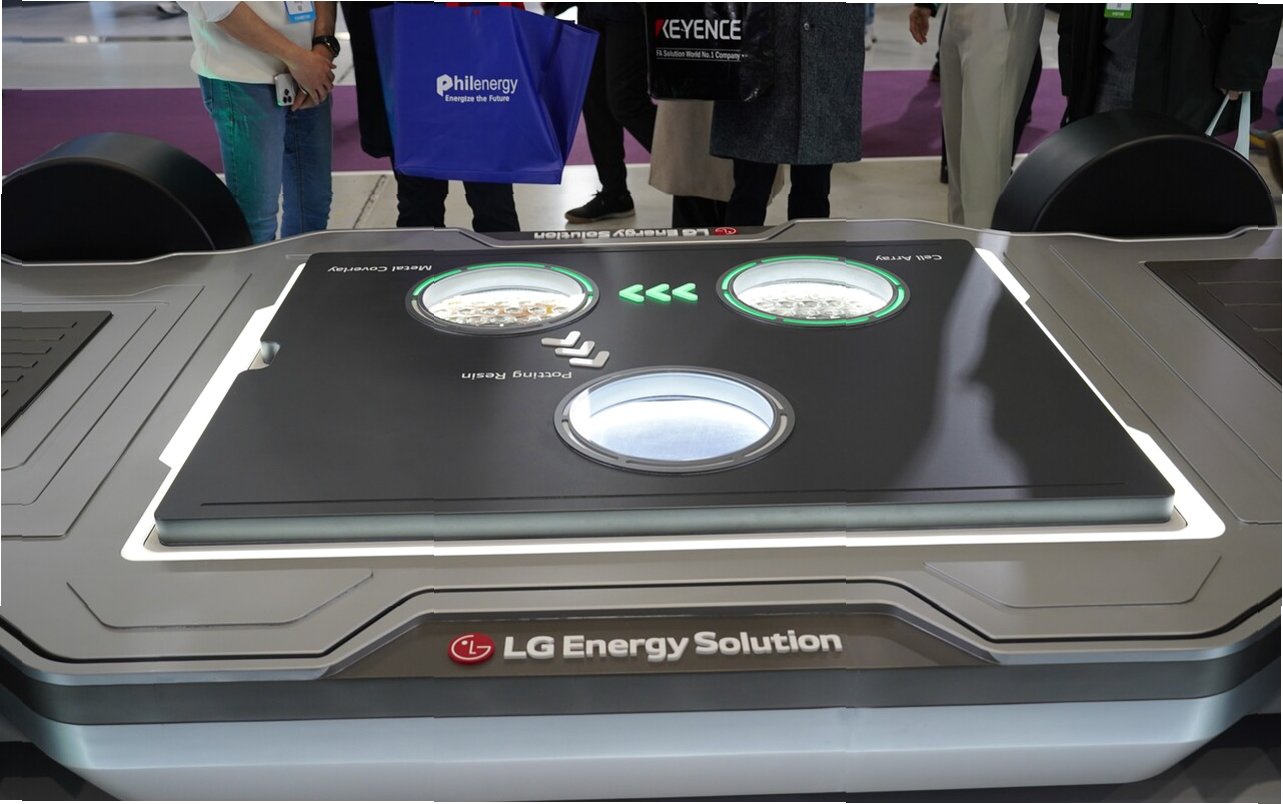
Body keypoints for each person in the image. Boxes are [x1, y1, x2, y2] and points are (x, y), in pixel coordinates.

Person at [341, 2, 519, 232]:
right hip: (408, 53)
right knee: (419, 203)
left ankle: (499, 253)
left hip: (472, 51)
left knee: (492, 199)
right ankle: (423, 253)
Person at [180, 1, 337, 244]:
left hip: (312, 65)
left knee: (313, 208)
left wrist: (323, 44)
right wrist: (296, 58)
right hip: (242, 71)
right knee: (256, 220)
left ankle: (301, 268)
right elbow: (215, 5)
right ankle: (255, 272)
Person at [711, 4, 865, 227]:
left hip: (825, 44)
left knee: (813, 189)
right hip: (759, 41)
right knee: (750, 190)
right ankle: (741, 249)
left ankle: (806, 249)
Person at [910, 4, 1045, 228]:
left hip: (1001, 12)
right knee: (957, 161)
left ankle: (983, 247)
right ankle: (960, 242)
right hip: (956, 11)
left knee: (985, 161)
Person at [1057, 5, 1283, 134]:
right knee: (1105, 176)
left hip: (1190, 65)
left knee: (1175, 180)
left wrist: (1243, 64)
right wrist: (1072, 64)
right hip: (1106, 62)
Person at [561, 2, 656, 223]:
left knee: (626, 102)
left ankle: (692, 172)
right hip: (590, 9)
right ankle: (615, 193)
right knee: (595, 101)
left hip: (630, 9)